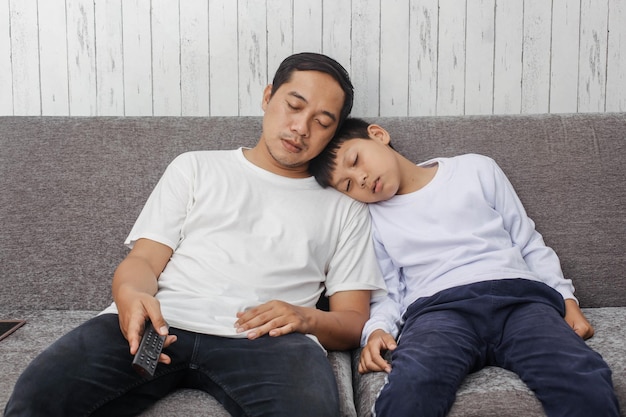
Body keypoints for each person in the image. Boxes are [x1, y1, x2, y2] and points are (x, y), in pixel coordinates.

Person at [4, 54, 386, 417]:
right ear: (268, 96)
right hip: (164, 323)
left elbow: (353, 320)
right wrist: (131, 296)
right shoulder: (195, 166)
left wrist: (306, 318)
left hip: (269, 340)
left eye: (322, 122)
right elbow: (141, 262)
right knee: (38, 396)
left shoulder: (345, 206)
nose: (301, 128)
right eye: (294, 105)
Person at [308, 117, 620, 417]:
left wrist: (568, 302)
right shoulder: (372, 219)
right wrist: (377, 330)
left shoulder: (475, 168)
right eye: (348, 185)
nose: (360, 179)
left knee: (582, 377)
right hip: (439, 311)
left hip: (520, 300)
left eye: (356, 160)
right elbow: (389, 291)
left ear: (377, 135)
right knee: (412, 385)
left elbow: (528, 243)